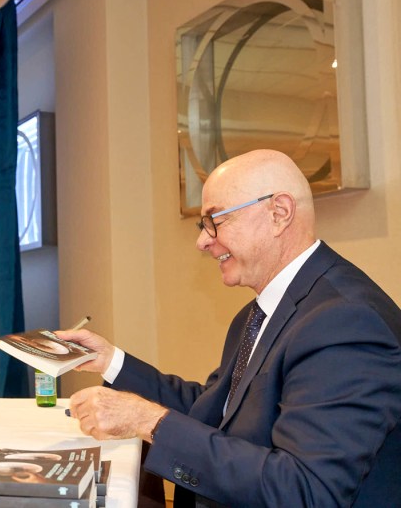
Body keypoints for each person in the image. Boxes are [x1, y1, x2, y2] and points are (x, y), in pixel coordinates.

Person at [57, 149, 401, 507]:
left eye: (215, 220)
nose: (203, 240)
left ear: (279, 213)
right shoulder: (260, 313)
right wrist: (110, 360)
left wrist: (150, 422)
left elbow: (306, 491)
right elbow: (214, 410)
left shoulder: (344, 322)